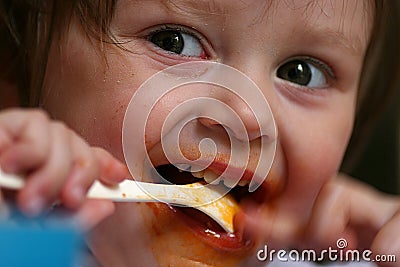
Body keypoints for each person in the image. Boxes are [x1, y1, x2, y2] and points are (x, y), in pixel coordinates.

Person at [0, 0, 399, 266]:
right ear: (17, 59)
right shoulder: (23, 240)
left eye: (302, 73)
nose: (244, 113)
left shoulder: (341, 253)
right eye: (175, 42)